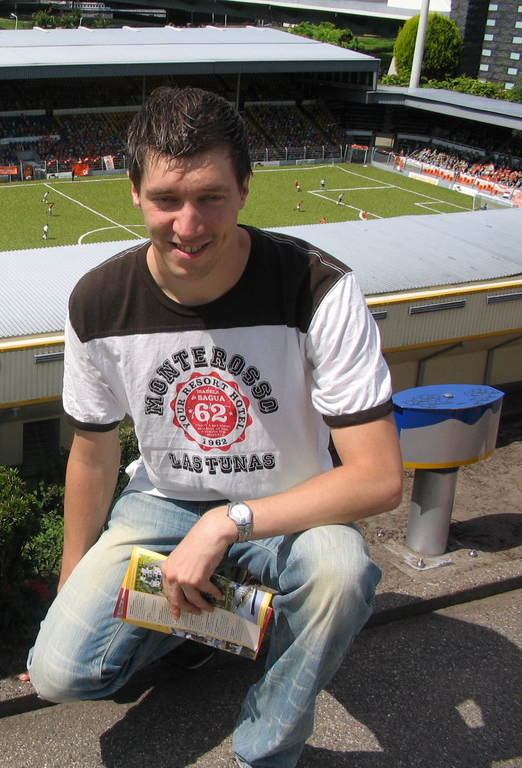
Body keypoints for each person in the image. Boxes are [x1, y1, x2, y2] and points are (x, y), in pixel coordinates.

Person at [26, 86, 402, 768]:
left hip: (290, 503)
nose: (189, 224)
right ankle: (218, 623)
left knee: (341, 572)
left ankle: (266, 750)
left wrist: (227, 522)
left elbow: (378, 478)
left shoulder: (316, 288)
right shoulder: (99, 300)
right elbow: (91, 454)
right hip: (161, 502)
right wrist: (72, 577)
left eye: (211, 198)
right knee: (60, 672)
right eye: (168, 199)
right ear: (134, 192)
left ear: (246, 190)